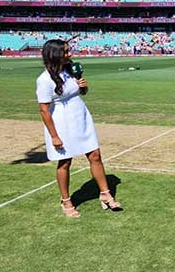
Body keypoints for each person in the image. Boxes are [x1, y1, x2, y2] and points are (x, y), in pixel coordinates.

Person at [36, 39, 122, 217]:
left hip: (81, 117)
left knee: (95, 155)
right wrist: (54, 136)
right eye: (66, 52)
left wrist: (83, 87)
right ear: (55, 55)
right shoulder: (44, 80)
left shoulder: (70, 71)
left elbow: (80, 92)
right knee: (65, 162)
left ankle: (105, 194)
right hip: (61, 123)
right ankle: (66, 201)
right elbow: (44, 111)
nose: (70, 55)